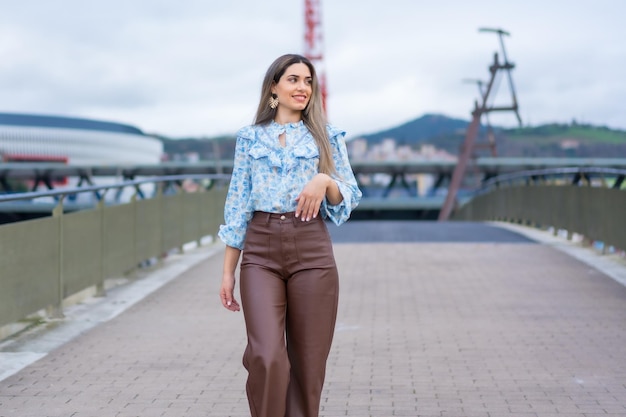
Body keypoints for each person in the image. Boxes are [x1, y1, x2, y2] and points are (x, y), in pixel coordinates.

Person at [217, 53, 362, 417]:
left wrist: (324, 180)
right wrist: (227, 272)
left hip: (311, 251)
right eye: (294, 79)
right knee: (266, 356)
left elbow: (350, 194)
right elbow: (237, 203)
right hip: (261, 252)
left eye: (308, 81)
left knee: (309, 367)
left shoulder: (326, 136)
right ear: (274, 88)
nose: (303, 88)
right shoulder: (250, 139)